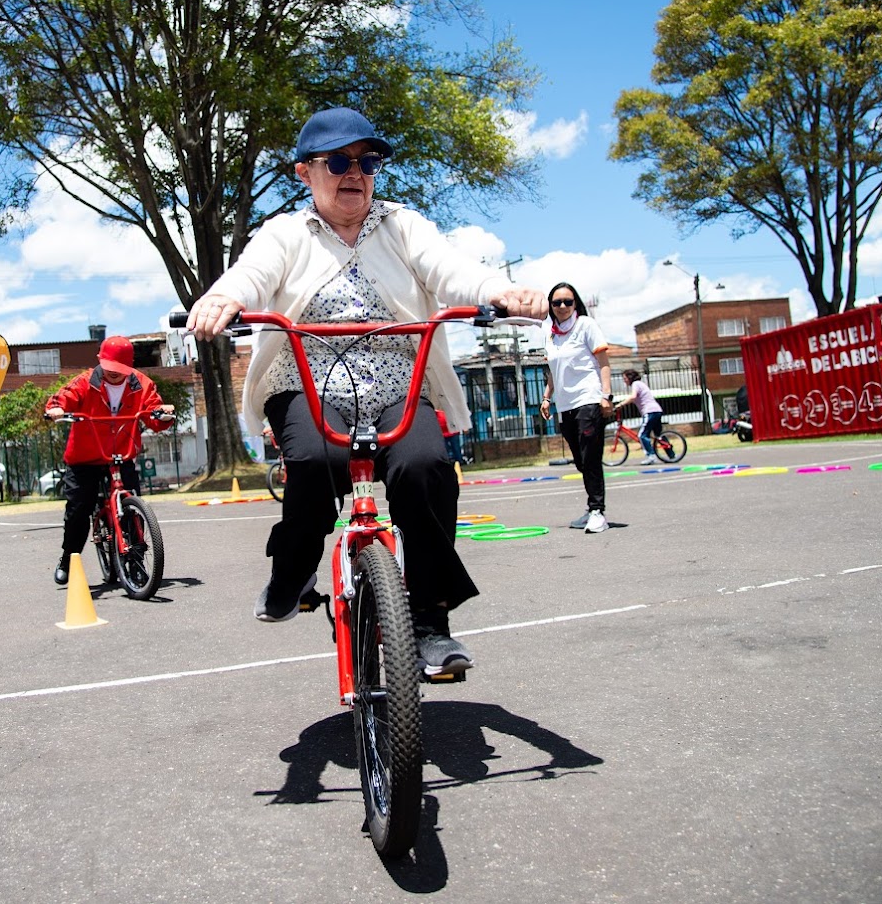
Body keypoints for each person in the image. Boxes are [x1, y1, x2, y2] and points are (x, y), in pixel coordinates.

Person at [185, 106, 547, 675]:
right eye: (337, 161)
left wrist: (504, 293)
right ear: (305, 173)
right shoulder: (284, 233)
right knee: (316, 457)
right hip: (306, 378)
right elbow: (251, 275)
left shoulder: (403, 225)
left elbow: (453, 271)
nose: (354, 172)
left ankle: (430, 621)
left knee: (427, 467)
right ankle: (293, 568)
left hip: (400, 380)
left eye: (367, 161)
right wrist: (221, 298)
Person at [44, 335, 175, 585]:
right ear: (100, 361)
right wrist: (57, 409)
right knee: (78, 510)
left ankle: (135, 563)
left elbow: (154, 415)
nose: (115, 374)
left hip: (122, 455)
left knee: (132, 511)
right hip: (85, 458)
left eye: (121, 369)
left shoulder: (142, 385)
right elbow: (64, 398)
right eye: (110, 368)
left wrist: (163, 416)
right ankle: (68, 558)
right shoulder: (85, 382)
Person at [538, 283, 613, 534]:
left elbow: (603, 363)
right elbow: (553, 371)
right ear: (551, 305)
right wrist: (547, 397)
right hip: (565, 405)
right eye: (557, 302)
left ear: (575, 303)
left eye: (567, 302)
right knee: (581, 460)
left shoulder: (586, 326)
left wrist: (606, 395)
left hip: (589, 398)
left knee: (590, 456)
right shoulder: (550, 334)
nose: (562, 307)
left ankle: (597, 511)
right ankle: (592, 507)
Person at [620, 369, 664, 463]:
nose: (624, 380)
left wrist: (621, 404)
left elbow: (633, 397)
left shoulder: (636, 384)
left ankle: (651, 456)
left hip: (649, 411)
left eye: (625, 378)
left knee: (642, 435)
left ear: (630, 377)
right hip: (656, 410)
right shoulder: (640, 384)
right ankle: (671, 454)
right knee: (658, 435)